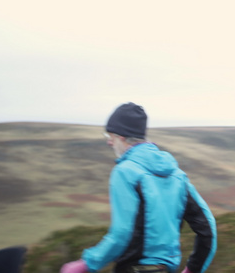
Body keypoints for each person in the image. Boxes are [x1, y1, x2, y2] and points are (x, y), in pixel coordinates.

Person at [60, 102, 217, 273]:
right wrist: (193, 269)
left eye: (110, 136)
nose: (109, 143)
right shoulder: (178, 175)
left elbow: (122, 234)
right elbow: (207, 228)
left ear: (121, 137)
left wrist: (86, 264)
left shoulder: (125, 172)